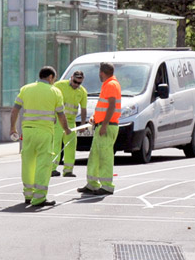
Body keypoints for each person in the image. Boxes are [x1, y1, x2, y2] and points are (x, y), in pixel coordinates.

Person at [9, 66, 72, 207]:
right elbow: (61, 115)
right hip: (45, 132)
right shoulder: (55, 91)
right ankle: (39, 198)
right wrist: (66, 129)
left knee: (28, 163)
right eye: (53, 79)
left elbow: (14, 111)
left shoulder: (26, 89)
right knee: (43, 164)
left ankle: (28, 194)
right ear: (50, 77)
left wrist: (13, 128)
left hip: (28, 132)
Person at [78, 62, 120, 195]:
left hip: (107, 126)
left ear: (102, 72)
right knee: (94, 156)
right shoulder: (108, 84)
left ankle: (107, 186)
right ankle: (92, 184)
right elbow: (105, 106)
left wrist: (105, 124)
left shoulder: (111, 84)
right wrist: (95, 118)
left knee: (104, 157)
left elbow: (112, 106)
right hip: (102, 124)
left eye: (99, 72)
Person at [50, 69, 88, 178]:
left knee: (71, 146)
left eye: (79, 83)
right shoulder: (59, 85)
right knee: (55, 144)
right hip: (57, 120)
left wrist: (82, 124)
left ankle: (68, 170)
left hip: (71, 122)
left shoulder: (82, 92)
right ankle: (52, 168)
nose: (76, 85)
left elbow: (84, 109)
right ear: (71, 78)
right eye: (75, 82)